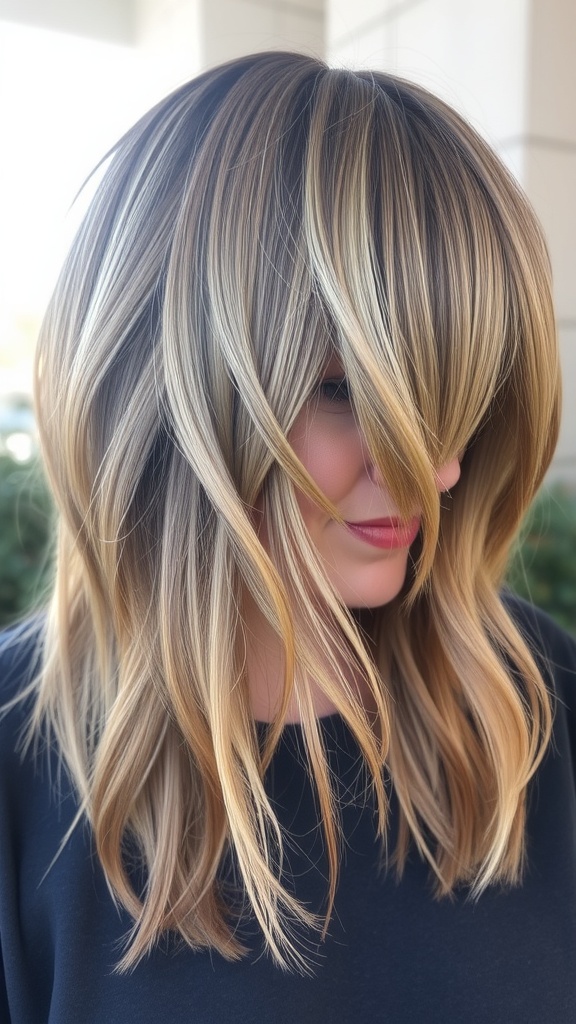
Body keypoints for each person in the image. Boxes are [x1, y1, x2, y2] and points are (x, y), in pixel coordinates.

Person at [1, 50, 575, 1024]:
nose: (437, 472)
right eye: (348, 391)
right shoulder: (21, 773)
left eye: (462, 396)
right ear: (160, 380)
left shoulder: (543, 712)